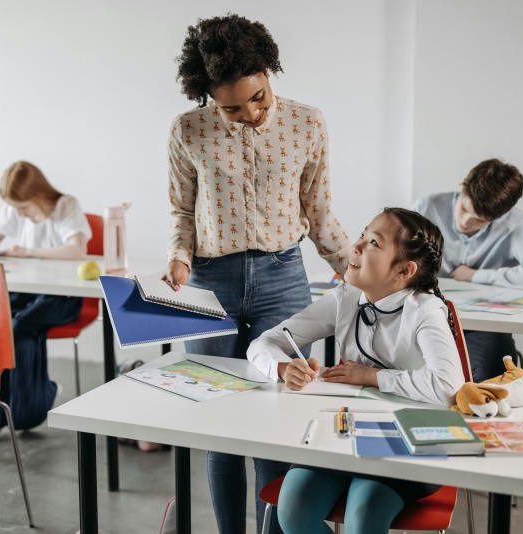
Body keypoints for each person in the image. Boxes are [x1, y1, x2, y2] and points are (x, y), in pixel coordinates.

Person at [162, 14, 351, 533]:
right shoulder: (188, 130)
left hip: (283, 278)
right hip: (208, 284)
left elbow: (319, 212)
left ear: (270, 72)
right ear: (208, 96)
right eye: (231, 107)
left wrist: (356, 273)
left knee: (275, 417)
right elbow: (181, 211)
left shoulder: (307, 123)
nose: (250, 114)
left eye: (259, 98)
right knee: (220, 424)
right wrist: (179, 256)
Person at [247, 208, 465, 534]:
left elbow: (448, 386)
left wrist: (371, 376)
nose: (356, 246)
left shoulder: (425, 310)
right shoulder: (345, 298)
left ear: (404, 270)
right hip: (344, 436)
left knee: (363, 516)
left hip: (409, 445)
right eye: (362, 235)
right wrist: (281, 367)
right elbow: (262, 344)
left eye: (373, 243)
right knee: (293, 510)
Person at [0, 161, 90, 441]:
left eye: (24, 208)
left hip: (64, 297)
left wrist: (28, 251)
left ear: (39, 194)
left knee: (20, 325)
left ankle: (6, 412)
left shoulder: (66, 206)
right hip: (28, 291)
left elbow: (78, 249)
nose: (19, 214)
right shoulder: (17, 208)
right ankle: (35, 397)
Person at [412, 158, 523, 382]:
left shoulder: (513, 224)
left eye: (479, 221)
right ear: (463, 186)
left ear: (497, 218)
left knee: (491, 372)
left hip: (482, 327)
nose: (465, 222)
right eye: (464, 209)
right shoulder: (426, 208)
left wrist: (476, 275)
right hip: (424, 316)